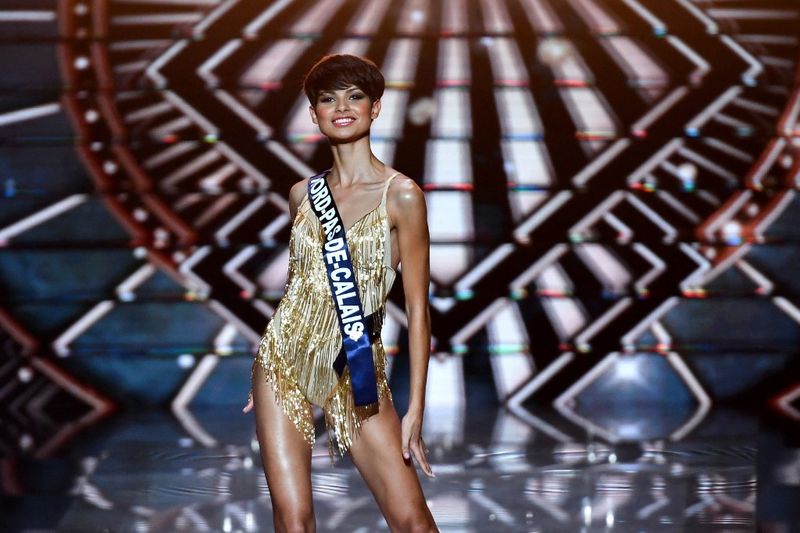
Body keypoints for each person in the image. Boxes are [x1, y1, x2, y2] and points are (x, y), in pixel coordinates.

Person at [242, 54, 437, 533]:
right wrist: (265, 363)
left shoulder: (402, 194)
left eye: (355, 96)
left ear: (375, 108)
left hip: (355, 365)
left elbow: (416, 307)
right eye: (328, 99)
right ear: (314, 114)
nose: (341, 107)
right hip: (284, 361)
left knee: (412, 521)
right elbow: (300, 287)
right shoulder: (301, 195)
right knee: (292, 519)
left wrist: (416, 408)